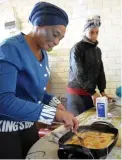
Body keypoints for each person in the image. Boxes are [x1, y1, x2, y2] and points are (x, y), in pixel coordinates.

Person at [0, 2, 79, 159]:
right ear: (39, 23)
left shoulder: (43, 53)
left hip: (28, 125)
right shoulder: (10, 49)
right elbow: (4, 100)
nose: (57, 42)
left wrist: (57, 105)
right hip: (6, 131)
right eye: (55, 34)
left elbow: (36, 91)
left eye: (61, 38)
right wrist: (54, 114)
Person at [67, 15, 108, 116]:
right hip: (76, 94)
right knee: (78, 123)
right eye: (91, 32)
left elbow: (100, 72)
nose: (94, 35)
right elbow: (78, 73)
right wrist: (93, 92)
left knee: (90, 120)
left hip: (90, 93)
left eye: (97, 32)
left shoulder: (97, 50)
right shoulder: (77, 49)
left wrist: (102, 91)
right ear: (85, 31)